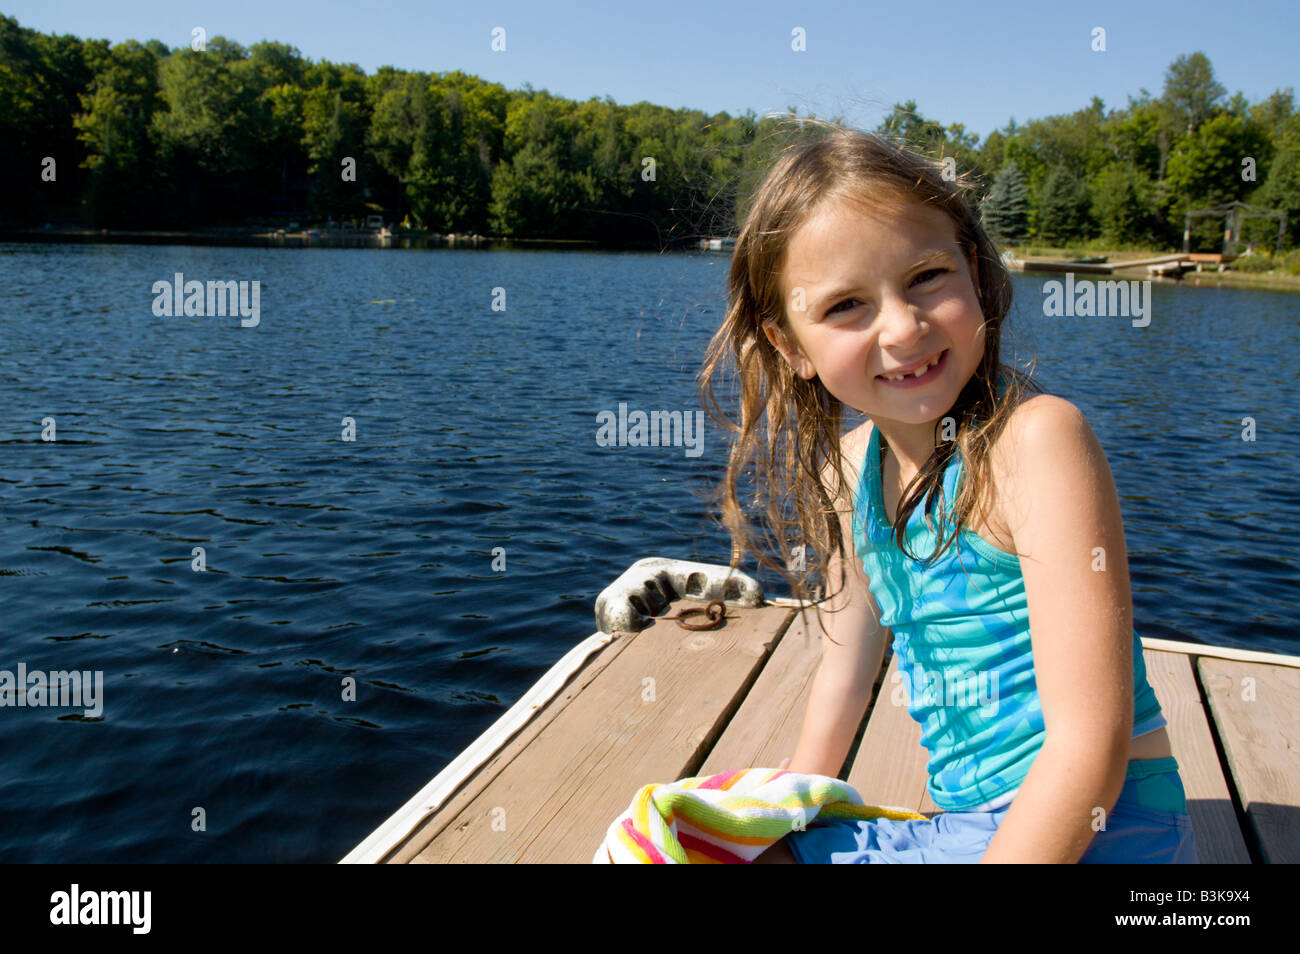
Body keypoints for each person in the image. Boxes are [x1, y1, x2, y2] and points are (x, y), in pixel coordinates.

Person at [696, 122, 1197, 863]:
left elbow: (1091, 746)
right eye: (845, 307)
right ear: (791, 347)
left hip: (1102, 820)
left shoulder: (1037, 442)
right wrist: (780, 822)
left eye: (926, 277)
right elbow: (845, 675)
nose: (902, 327)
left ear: (972, 269)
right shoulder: (849, 470)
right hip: (968, 829)